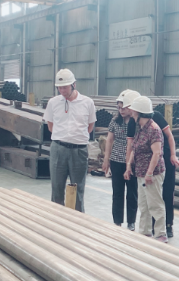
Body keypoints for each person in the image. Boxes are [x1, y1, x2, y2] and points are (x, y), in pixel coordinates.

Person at [126, 94, 179, 237]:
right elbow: (134, 147)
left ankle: (161, 234)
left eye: (133, 111)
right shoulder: (140, 127)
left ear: (140, 112)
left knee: (155, 204)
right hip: (141, 172)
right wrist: (129, 165)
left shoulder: (154, 129)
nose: (131, 113)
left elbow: (157, 153)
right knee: (144, 206)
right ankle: (145, 233)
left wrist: (149, 173)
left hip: (153, 173)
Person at [43, 69, 96, 212]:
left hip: (79, 151)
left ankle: (77, 220)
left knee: (78, 189)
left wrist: (75, 137)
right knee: (57, 188)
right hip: (58, 149)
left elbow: (90, 127)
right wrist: (63, 137)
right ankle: (57, 219)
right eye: (59, 88)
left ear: (74, 85)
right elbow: (50, 126)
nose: (62, 91)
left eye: (65, 87)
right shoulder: (53, 103)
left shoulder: (87, 103)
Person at [102, 90, 138, 230]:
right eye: (119, 108)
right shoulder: (115, 121)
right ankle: (117, 221)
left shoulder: (137, 122)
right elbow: (110, 140)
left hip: (132, 162)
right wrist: (106, 159)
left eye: (123, 108)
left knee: (132, 193)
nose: (121, 110)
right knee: (117, 192)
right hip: (117, 160)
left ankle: (131, 221)